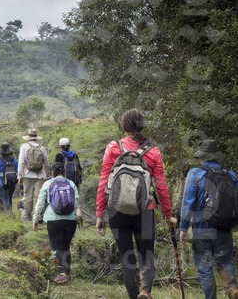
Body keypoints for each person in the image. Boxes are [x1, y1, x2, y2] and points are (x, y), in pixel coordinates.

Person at [95, 108, 176, 299]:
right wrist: (168, 214)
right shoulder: (153, 152)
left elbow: (103, 181)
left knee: (127, 257)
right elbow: (161, 187)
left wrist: (100, 213)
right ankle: (146, 291)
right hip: (145, 211)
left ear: (123, 126)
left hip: (116, 210)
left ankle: (134, 296)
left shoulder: (113, 148)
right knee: (146, 254)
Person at [179, 139, 238, 299]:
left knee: (205, 267)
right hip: (224, 228)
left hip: (202, 229)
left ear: (202, 157)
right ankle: (233, 289)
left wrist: (183, 228)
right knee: (224, 262)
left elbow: (187, 202)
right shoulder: (231, 174)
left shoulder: (195, 173)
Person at [33, 162, 80, 284]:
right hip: (70, 220)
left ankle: (60, 274)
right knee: (66, 246)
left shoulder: (48, 184)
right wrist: (77, 215)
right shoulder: (71, 183)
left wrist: (35, 219)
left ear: (52, 172)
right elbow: (76, 202)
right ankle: (68, 274)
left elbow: (40, 203)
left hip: (53, 219)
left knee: (55, 247)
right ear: (64, 171)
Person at [18, 129, 49, 221]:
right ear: (36, 138)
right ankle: (40, 216)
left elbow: (21, 162)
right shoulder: (42, 148)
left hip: (27, 175)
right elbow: (46, 163)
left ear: (28, 137)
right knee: (39, 196)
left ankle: (27, 216)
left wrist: (19, 175)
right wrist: (46, 175)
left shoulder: (24, 147)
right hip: (40, 176)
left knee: (28, 196)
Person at [0, 143, 18, 212]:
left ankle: (8, 213)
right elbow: (17, 170)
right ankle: (10, 212)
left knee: (4, 198)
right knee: (10, 197)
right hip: (12, 181)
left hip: (2, 182)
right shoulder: (14, 160)